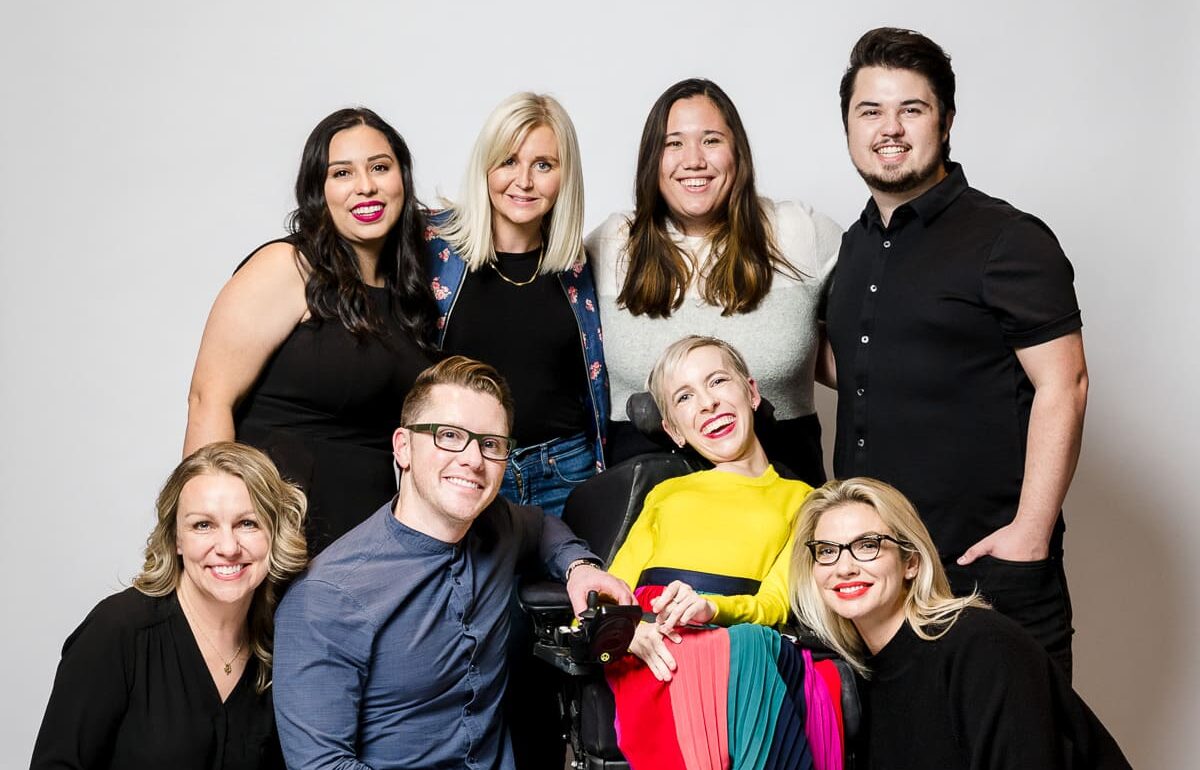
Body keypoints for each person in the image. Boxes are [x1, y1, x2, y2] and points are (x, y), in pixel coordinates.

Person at [822, 28, 1089, 675]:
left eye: (911, 109)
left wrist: (1028, 534)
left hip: (987, 571)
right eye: (870, 111)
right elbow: (856, 369)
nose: (889, 128)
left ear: (944, 122)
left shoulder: (1007, 239)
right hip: (881, 586)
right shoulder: (853, 249)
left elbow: (1066, 383)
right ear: (849, 126)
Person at [271, 356, 633, 770]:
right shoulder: (325, 598)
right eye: (449, 435)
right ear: (403, 447)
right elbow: (321, 765)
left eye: (491, 444)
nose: (473, 460)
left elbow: (543, 527)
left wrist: (580, 568)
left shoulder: (497, 526)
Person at [185, 107, 438, 554]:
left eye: (380, 167)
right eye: (342, 173)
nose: (366, 186)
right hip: (275, 543)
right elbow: (209, 398)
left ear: (402, 179)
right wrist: (207, 531)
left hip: (367, 554)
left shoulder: (410, 295)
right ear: (319, 191)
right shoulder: (289, 267)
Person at [587, 78, 842, 485]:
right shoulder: (610, 245)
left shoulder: (799, 233)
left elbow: (875, 346)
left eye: (711, 140)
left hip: (784, 502)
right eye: (674, 144)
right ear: (652, 158)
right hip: (649, 511)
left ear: (737, 151)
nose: (693, 160)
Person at [604, 336, 841, 770]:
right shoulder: (665, 493)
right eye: (685, 397)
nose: (708, 403)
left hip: (738, 635)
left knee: (753, 646)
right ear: (674, 430)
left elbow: (774, 603)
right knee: (729, 650)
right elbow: (608, 592)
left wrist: (712, 608)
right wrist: (626, 631)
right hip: (655, 642)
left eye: (717, 381)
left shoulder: (805, 500)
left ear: (751, 393)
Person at [790, 477, 1130, 769]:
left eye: (867, 545)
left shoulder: (981, 645)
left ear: (911, 562)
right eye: (827, 550)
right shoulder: (852, 679)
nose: (844, 567)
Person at [31, 442, 307, 770]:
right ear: (176, 538)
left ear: (274, 533)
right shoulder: (118, 630)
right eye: (203, 525)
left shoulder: (286, 641)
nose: (228, 547)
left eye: (247, 523)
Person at [427, 92, 607, 518]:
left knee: (575, 582)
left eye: (543, 165)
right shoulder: (432, 249)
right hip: (465, 467)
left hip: (565, 471)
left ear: (565, 175)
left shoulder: (580, 265)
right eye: (508, 161)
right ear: (485, 166)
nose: (523, 181)